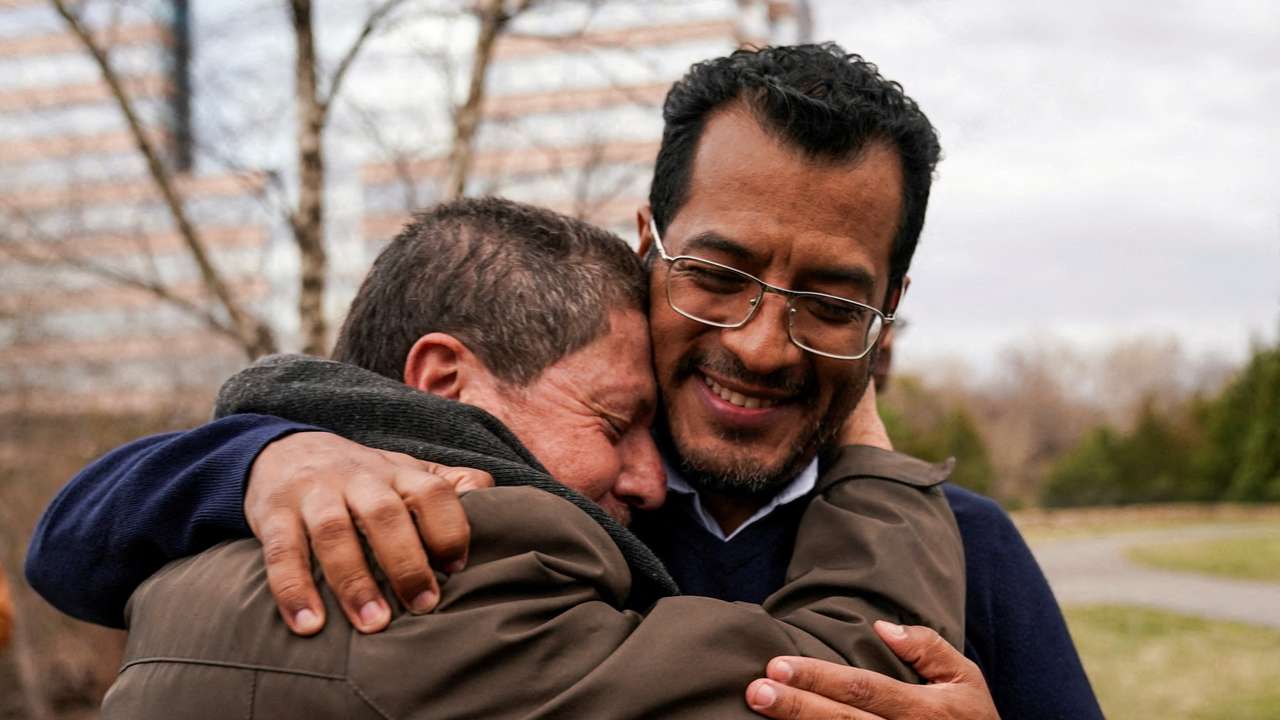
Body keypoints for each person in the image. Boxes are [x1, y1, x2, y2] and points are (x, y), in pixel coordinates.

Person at [28, 44, 1101, 719]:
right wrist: (265, 453)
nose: (765, 345)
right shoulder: (453, 508)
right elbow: (69, 550)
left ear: (886, 307)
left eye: (828, 301)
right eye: (719, 277)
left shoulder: (966, 551)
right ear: (650, 245)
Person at [97, 197, 963, 718]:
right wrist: (863, 434)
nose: (648, 477)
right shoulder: (464, 564)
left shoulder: (181, 565)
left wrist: (255, 458)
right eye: (616, 421)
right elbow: (848, 689)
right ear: (445, 381)